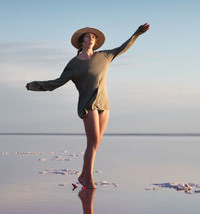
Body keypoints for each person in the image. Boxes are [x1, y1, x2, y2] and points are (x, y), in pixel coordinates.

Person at [26, 23, 150, 189]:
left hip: (104, 104)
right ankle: (88, 179)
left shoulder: (105, 56)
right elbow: (57, 82)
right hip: (87, 105)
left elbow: (123, 47)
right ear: (81, 41)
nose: (91, 38)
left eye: (93, 36)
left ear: (95, 41)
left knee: (96, 142)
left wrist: (137, 33)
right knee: (92, 142)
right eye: (87, 36)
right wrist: (34, 85)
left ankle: (83, 175)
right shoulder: (74, 64)